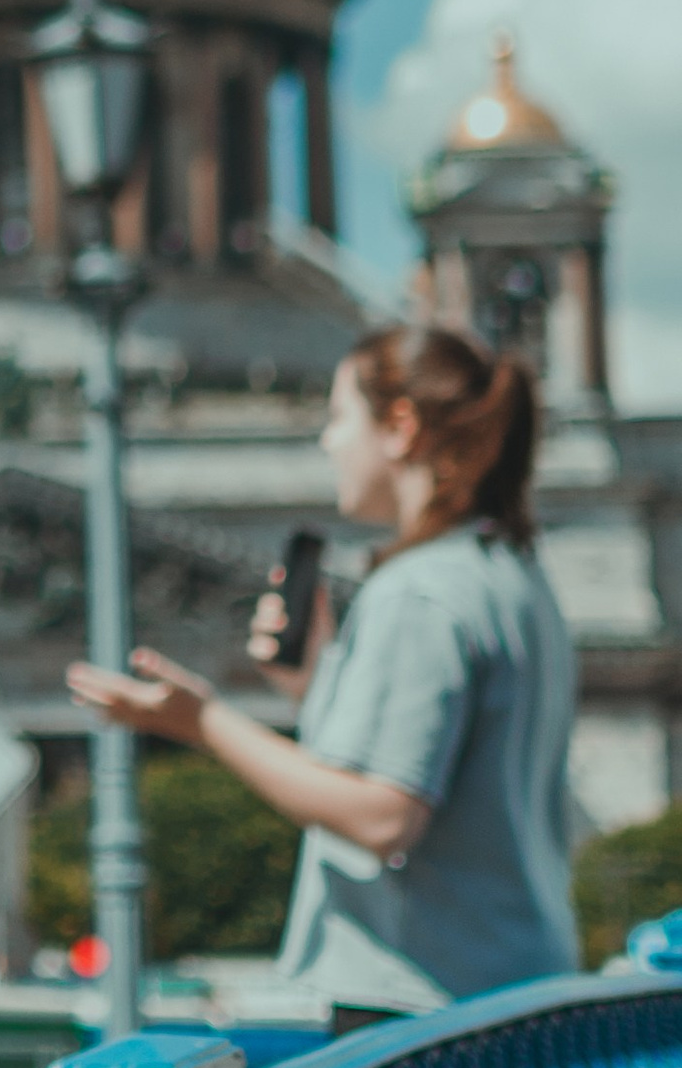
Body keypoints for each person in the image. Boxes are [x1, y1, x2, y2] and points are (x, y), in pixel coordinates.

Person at [66, 321, 577, 1015]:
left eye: (338, 417)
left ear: (400, 426)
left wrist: (206, 722)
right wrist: (319, 690)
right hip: (515, 991)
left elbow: (381, 815)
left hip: (423, 1009)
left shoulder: (418, 592)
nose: (327, 442)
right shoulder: (513, 578)